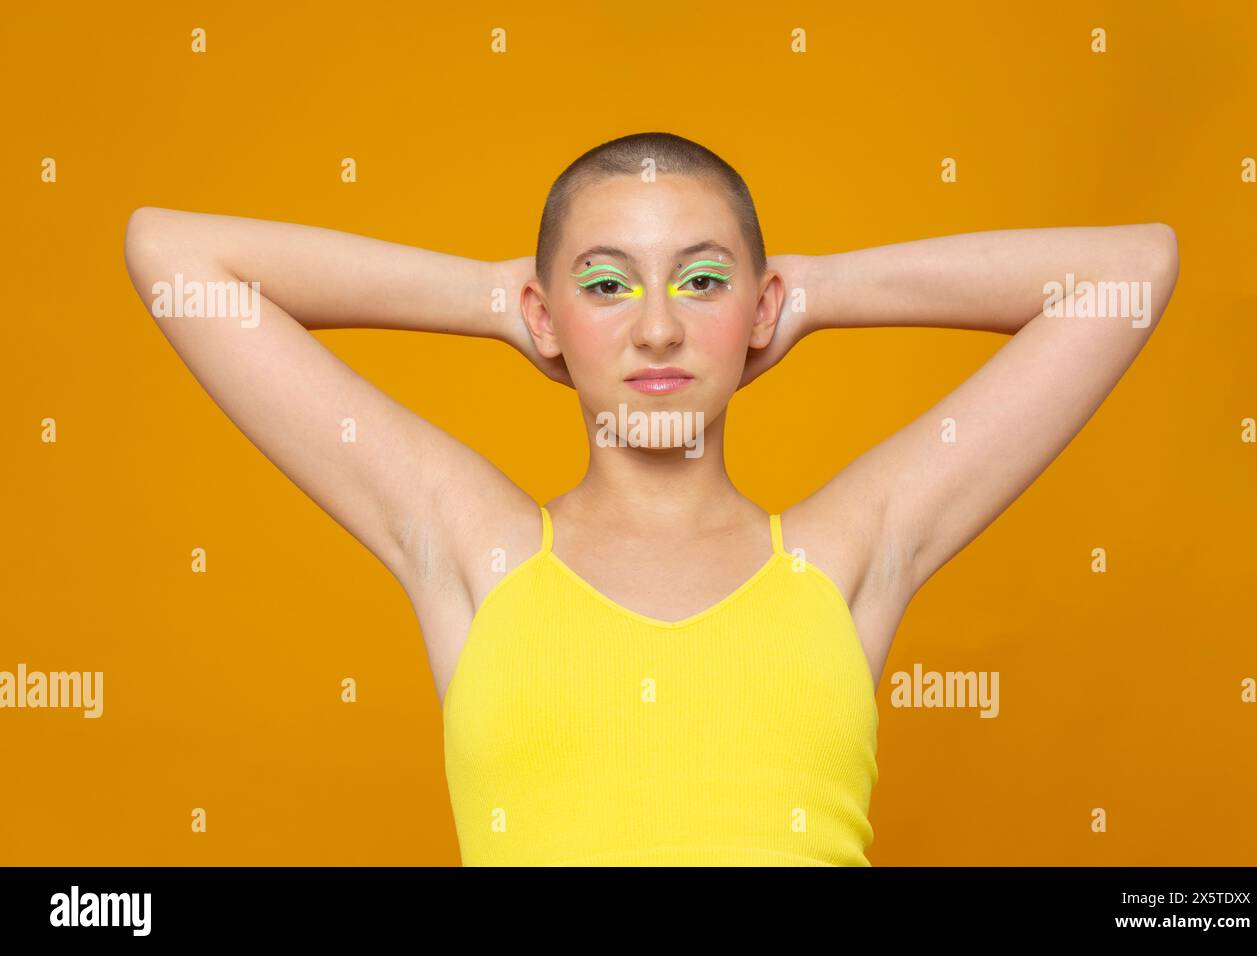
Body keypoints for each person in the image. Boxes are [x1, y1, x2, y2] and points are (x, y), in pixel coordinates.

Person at [123, 131, 1179, 866]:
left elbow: (1130, 269)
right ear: (548, 313)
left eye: (703, 282)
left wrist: (805, 295)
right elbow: (172, 253)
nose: (660, 329)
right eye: (606, 283)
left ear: (755, 305)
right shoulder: (476, 548)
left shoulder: (846, 553)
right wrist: (502, 300)